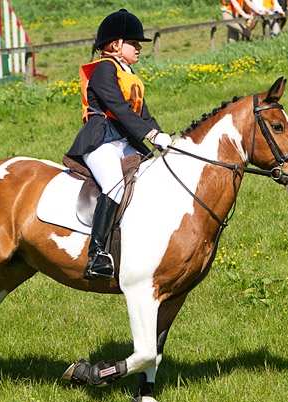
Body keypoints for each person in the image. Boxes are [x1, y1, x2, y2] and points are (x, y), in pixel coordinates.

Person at [65, 9, 172, 280]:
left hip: (124, 141)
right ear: (115, 45)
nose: (138, 48)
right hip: (101, 139)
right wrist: (150, 135)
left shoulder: (130, 74)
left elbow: (142, 113)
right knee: (114, 184)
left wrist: (162, 137)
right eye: (133, 43)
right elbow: (119, 109)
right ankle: (96, 254)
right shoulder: (104, 70)